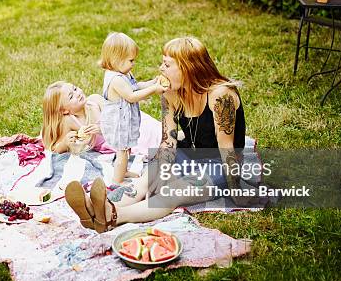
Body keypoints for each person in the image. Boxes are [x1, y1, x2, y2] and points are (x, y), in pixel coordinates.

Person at [65, 36, 256, 233]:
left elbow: (227, 148)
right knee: (143, 183)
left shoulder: (221, 95)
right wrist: (161, 169)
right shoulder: (170, 93)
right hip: (188, 153)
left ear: (187, 68)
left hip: (219, 163)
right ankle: (91, 208)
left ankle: (111, 216)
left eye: (166, 64)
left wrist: (236, 191)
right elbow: (168, 141)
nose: (160, 69)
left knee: (172, 193)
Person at [98, 32, 166, 183]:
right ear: (116, 60)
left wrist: (151, 82)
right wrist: (154, 89)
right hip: (118, 123)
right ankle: (117, 181)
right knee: (122, 151)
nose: (133, 64)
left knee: (126, 148)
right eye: (131, 60)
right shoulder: (115, 79)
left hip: (124, 121)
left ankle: (124, 171)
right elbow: (132, 96)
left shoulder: (124, 73)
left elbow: (135, 87)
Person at [41, 81, 112, 154]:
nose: (77, 94)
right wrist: (65, 144)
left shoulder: (95, 101)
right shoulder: (70, 120)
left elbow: (117, 119)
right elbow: (55, 149)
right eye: (71, 97)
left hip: (118, 136)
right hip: (109, 147)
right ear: (64, 110)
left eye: (75, 89)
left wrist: (103, 128)